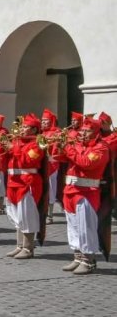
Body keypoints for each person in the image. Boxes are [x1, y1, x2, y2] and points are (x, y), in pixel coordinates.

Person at [60, 117, 110, 274]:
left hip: (87, 191)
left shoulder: (101, 148)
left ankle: (89, 261)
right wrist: (58, 146)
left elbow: (86, 163)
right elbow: (58, 157)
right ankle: (78, 257)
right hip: (71, 189)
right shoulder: (76, 145)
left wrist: (68, 148)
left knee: (86, 226)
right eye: (81, 130)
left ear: (95, 132)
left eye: (86, 131)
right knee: (73, 226)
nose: (82, 133)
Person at [4, 114, 47, 260]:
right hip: (13, 182)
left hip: (27, 182)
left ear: (34, 130)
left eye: (25, 127)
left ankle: (28, 248)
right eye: (21, 127)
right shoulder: (16, 141)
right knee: (17, 216)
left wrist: (14, 148)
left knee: (27, 216)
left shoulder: (37, 144)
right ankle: (19, 245)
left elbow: (27, 161)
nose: (21, 129)